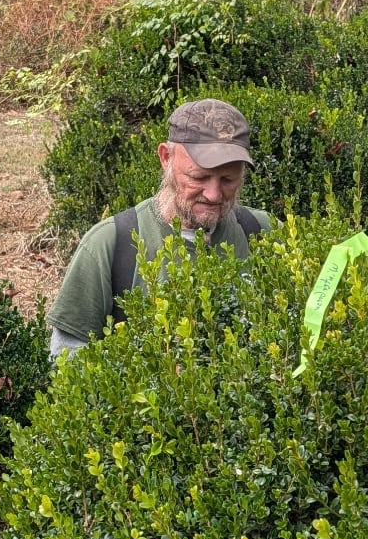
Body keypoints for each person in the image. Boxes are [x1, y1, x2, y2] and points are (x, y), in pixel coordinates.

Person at [46, 97, 272, 358]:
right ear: (166, 158)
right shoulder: (109, 244)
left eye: (228, 179)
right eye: (198, 177)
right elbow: (66, 357)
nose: (213, 194)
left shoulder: (262, 232)